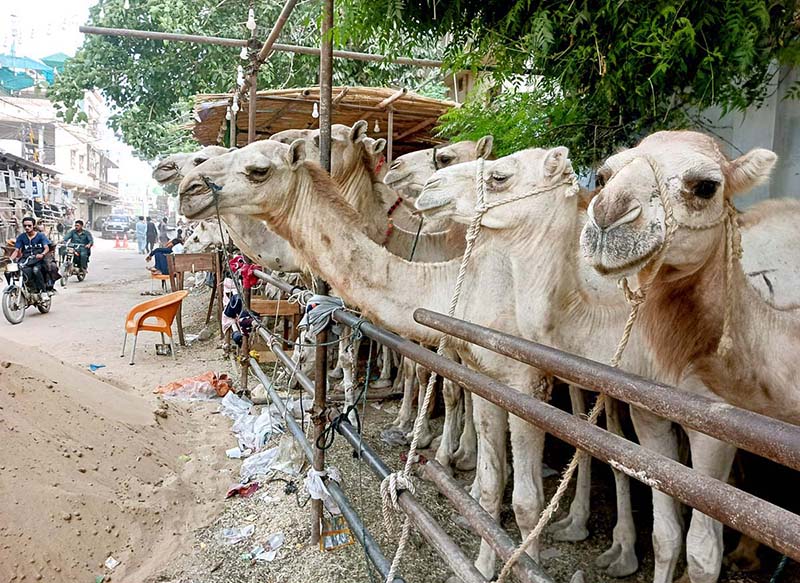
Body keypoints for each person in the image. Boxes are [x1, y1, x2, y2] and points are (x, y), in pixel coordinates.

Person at [11, 216, 50, 293]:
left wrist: (42, 254)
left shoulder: (41, 236)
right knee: (12, 270)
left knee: (35, 270)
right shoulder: (21, 237)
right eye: (25, 226)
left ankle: (43, 291)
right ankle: (16, 288)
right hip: (26, 259)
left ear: (34, 225)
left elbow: (46, 248)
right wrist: (10, 259)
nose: (27, 227)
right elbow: (16, 250)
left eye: (29, 225)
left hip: (38, 260)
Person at [36, 221, 61, 286]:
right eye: (39, 224)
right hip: (30, 255)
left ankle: (49, 284)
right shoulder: (26, 236)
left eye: (41, 224)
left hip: (44, 254)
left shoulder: (44, 235)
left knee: (51, 266)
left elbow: (51, 245)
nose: (40, 226)